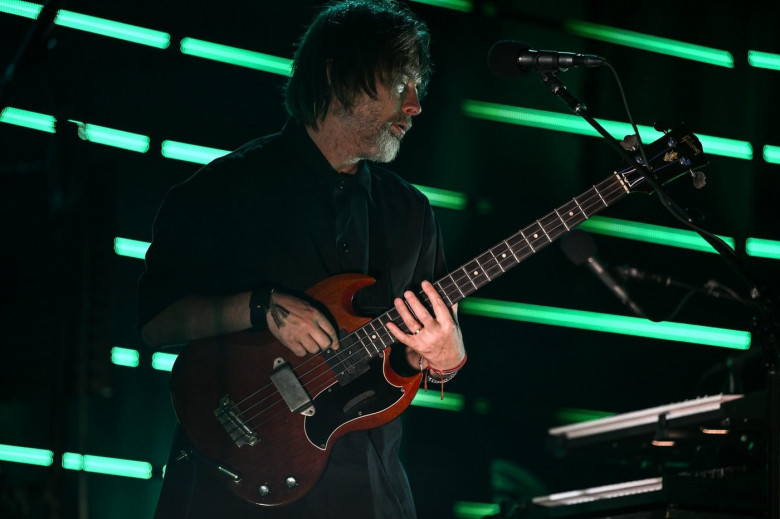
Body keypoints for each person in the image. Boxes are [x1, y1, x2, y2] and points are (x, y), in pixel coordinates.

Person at [137, 1, 466, 517]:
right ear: (339, 76)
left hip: (369, 492)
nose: (415, 104)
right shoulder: (222, 189)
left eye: (417, 85)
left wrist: (447, 358)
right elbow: (157, 324)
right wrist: (260, 306)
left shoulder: (411, 213)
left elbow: (422, 358)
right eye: (400, 82)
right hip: (231, 490)